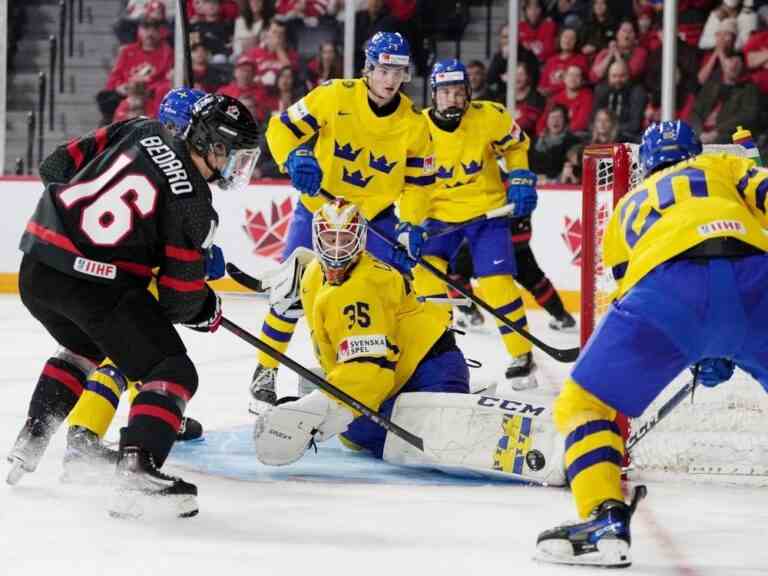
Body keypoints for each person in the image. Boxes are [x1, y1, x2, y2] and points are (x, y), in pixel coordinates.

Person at [7, 94, 260, 519]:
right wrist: (207, 306)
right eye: (233, 154)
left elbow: (55, 165)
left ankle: (31, 439)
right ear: (213, 145)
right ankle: (138, 468)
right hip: (93, 286)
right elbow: (180, 301)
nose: (236, 166)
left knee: (84, 345)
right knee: (172, 372)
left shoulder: (140, 128)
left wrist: (76, 229)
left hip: (36, 268)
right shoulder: (196, 204)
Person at [535, 120, 768, 567]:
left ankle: (603, 518)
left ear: (645, 165)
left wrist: (701, 344)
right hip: (755, 280)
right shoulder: (720, 164)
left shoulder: (626, 207)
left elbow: (635, 300)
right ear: (695, 151)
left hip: (666, 291)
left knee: (583, 404)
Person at [252, 201, 567, 486]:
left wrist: (318, 408)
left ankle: (488, 416)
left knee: (436, 445)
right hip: (393, 375)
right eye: (329, 239)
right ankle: (456, 402)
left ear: (360, 240)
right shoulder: (312, 273)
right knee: (355, 436)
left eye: (345, 238)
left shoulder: (362, 287)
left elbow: (372, 370)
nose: (336, 248)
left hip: (429, 368)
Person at [249, 31, 436, 412]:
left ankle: (389, 369)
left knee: (394, 290)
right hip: (321, 209)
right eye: (384, 69)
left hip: (373, 219)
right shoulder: (333, 95)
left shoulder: (415, 124)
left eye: (398, 71)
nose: (390, 79)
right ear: (368, 68)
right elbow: (280, 128)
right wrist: (294, 158)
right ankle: (265, 369)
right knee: (291, 289)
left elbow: (418, 185)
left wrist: (412, 225)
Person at [60, 88, 217, 484]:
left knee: (141, 355)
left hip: (100, 271)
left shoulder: (136, 148)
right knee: (124, 356)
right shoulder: (166, 164)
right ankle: (87, 431)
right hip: (125, 276)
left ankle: (152, 418)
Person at [407, 59, 538, 387]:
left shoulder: (490, 116)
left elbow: (517, 145)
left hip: (486, 215)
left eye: (458, 91)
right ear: (434, 94)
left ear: (468, 93)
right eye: (445, 91)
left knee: (497, 284)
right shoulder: (415, 127)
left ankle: (521, 353)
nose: (452, 98)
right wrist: (408, 220)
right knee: (426, 280)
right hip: (436, 218)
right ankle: (439, 351)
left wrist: (520, 175)